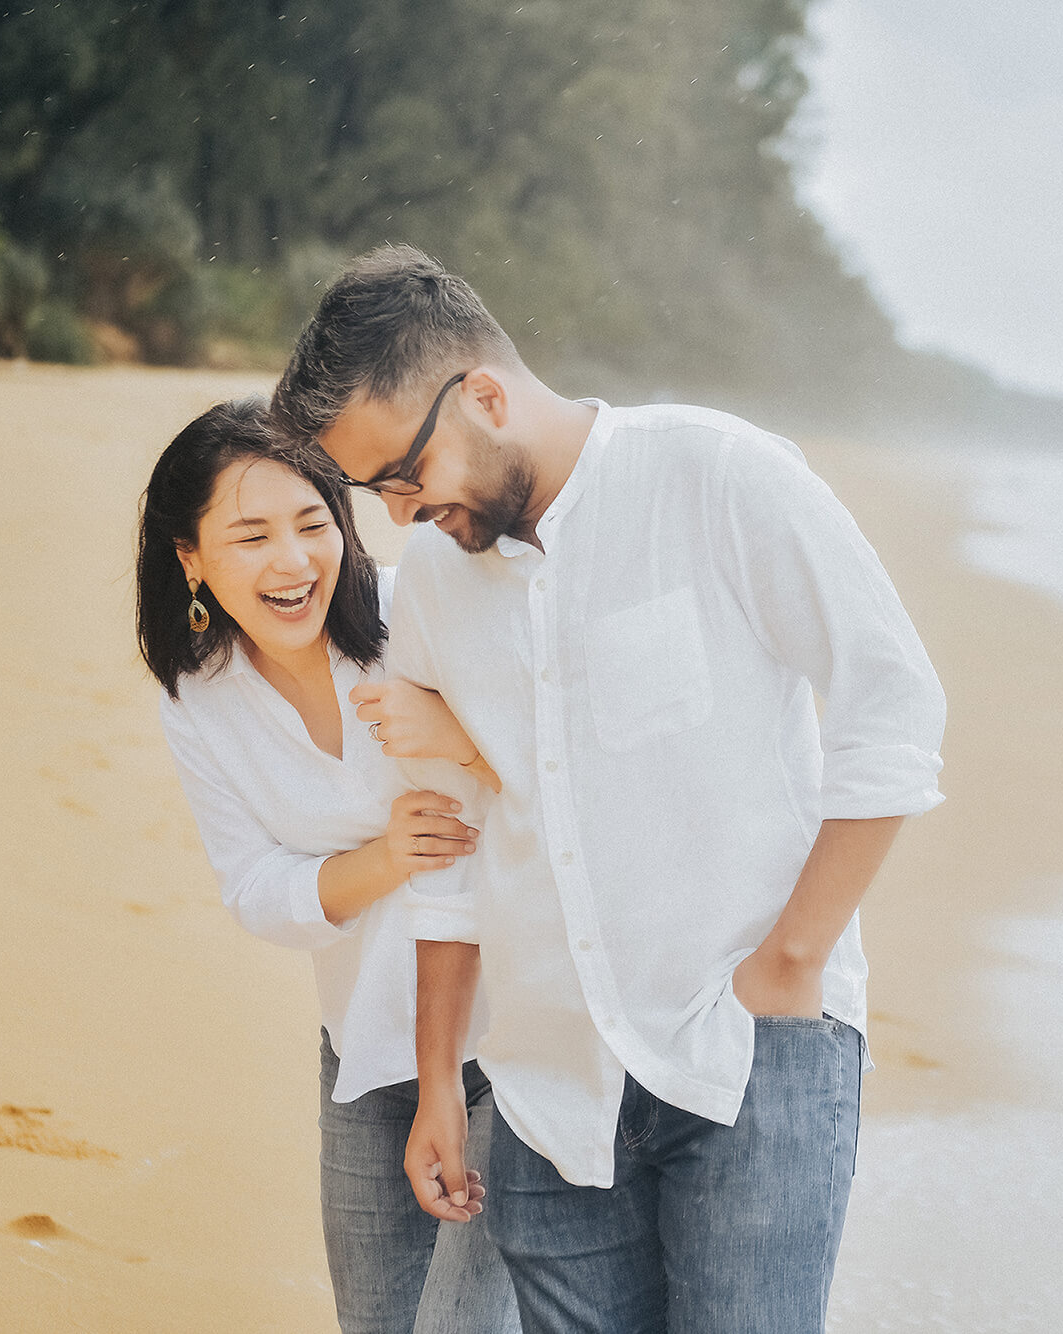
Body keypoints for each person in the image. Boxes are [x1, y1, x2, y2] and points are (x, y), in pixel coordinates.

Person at [271, 246, 946, 1332]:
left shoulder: (718, 475)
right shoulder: (441, 583)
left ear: (483, 394)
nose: (396, 517)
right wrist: (440, 1074)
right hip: (550, 1088)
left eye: (402, 476)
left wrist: (789, 963)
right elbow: (452, 837)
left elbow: (894, 703)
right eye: (372, 493)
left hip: (745, 1054)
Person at [136, 398, 519, 1334]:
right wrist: (384, 856)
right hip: (364, 1045)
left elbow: (550, 786)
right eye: (252, 535)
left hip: (512, 1044)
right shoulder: (200, 698)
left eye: (314, 524)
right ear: (190, 556)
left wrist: (466, 741)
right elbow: (256, 892)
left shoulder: (414, 615)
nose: (294, 562)